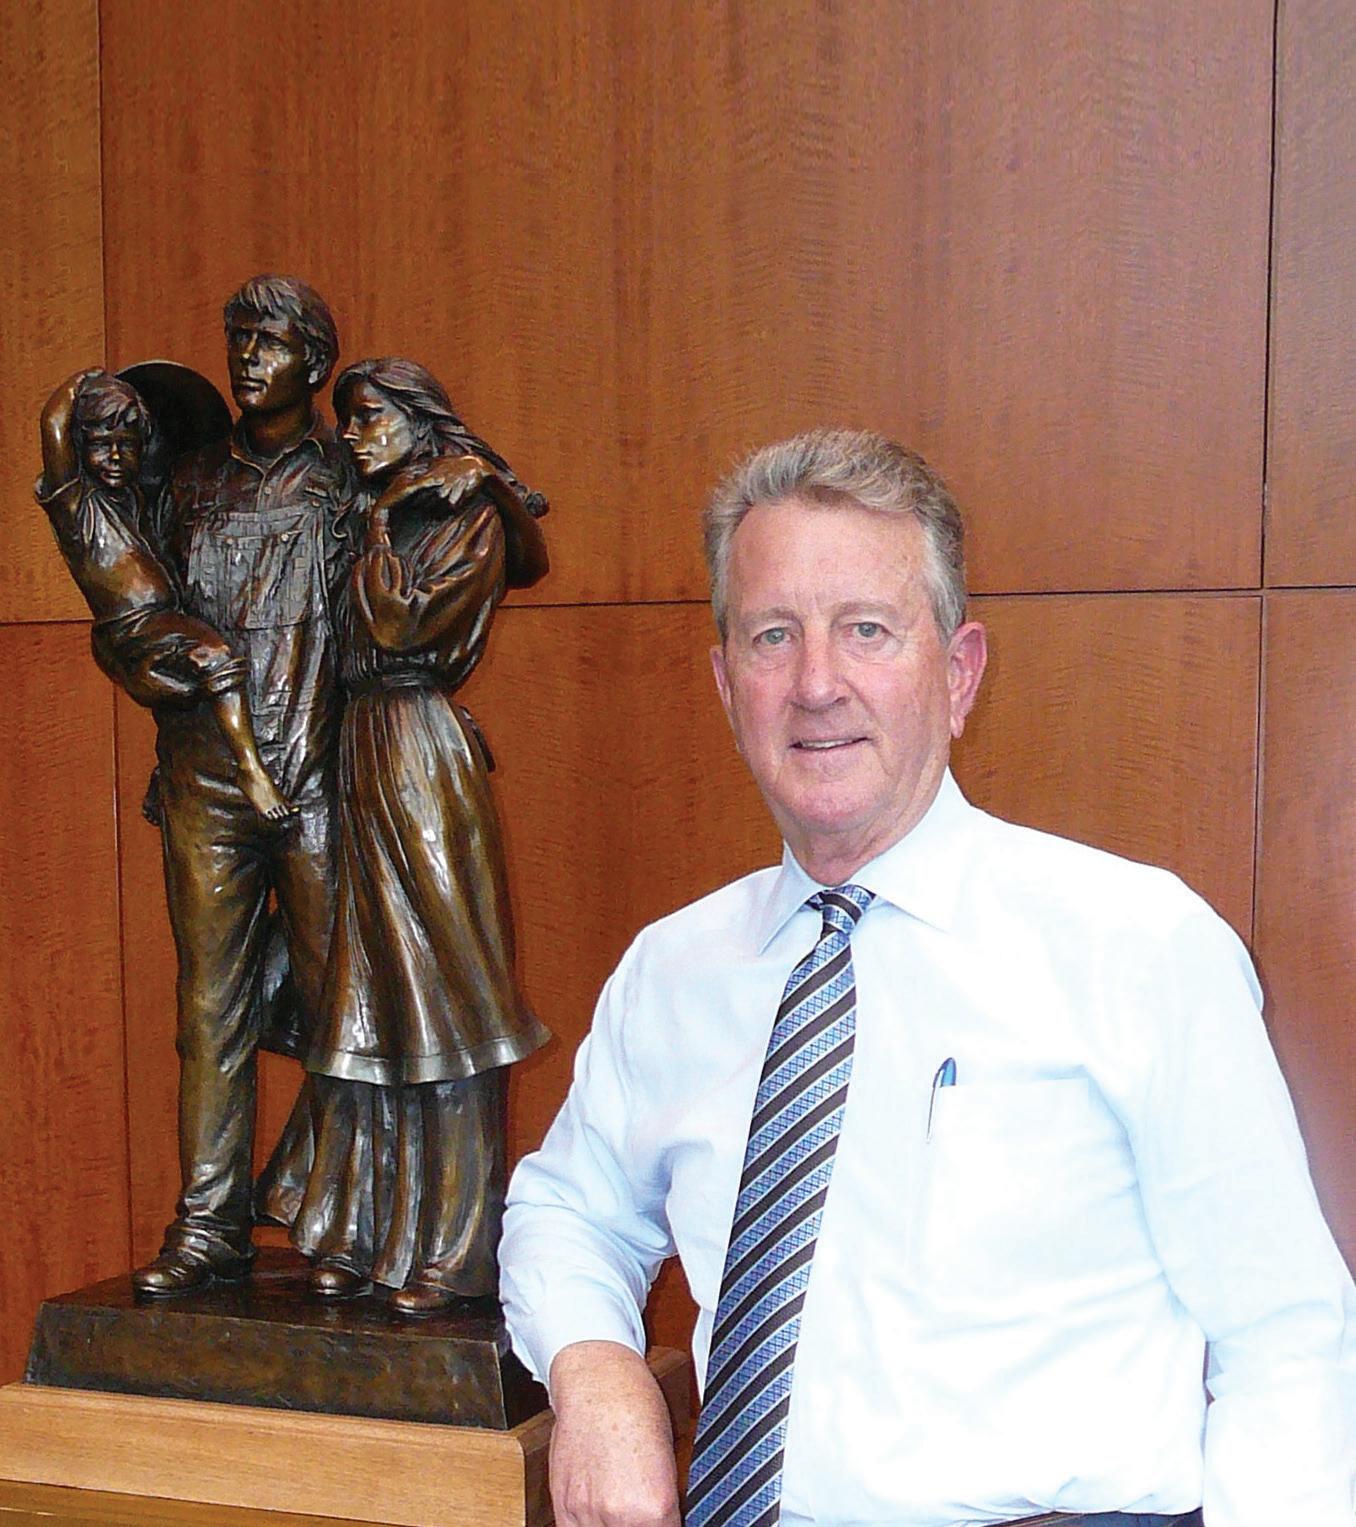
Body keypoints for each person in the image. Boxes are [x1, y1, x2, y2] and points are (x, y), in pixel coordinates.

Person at [499, 429, 1356, 1527]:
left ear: (958, 675)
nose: (817, 684)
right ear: (725, 684)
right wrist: (594, 1368)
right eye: (772, 635)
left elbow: (1285, 1334)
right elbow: (568, 1208)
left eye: (867, 629)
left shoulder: (1138, 944)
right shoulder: (672, 972)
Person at [256, 357, 551, 1313]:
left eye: (369, 415)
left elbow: (398, 625)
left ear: (420, 422)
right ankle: (357, 1228)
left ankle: (456, 1250)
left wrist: (389, 520)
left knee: (447, 999)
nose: (351, 433)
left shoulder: (463, 519)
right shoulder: (374, 509)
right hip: (356, 750)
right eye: (346, 416)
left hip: (419, 753)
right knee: (363, 998)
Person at [95, 274, 356, 1297]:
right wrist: (156, 674)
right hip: (206, 782)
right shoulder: (187, 479)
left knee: (346, 1007)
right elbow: (129, 621)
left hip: (319, 779)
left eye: (269, 342)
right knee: (210, 1009)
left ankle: (344, 1224)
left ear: (314, 364)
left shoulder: (349, 478)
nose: (247, 358)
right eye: (238, 339)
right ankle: (209, 1224)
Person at [35, 368, 292, 823]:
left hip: (161, 619)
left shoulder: (137, 503)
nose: (116, 456)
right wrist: (79, 384)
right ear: (81, 450)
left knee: (192, 683)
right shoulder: (78, 506)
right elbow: (53, 426)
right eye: (101, 445)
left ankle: (168, 775)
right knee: (215, 658)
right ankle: (250, 769)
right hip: (136, 624)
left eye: (128, 445)